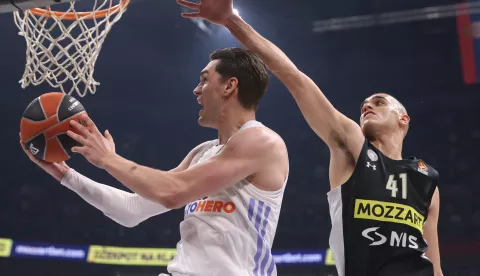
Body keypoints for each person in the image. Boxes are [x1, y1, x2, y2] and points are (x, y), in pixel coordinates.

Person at [175, 0, 443, 275]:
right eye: (364, 103)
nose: (367, 106)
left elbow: (434, 266)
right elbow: (294, 77)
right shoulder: (351, 146)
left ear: (404, 119)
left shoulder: (427, 180)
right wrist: (231, 20)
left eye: (379, 102)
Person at [21, 47, 289, 276]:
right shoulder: (201, 153)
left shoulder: (262, 141)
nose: (196, 90)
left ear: (230, 86)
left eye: (204, 80)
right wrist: (66, 175)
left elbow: (172, 192)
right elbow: (132, 209)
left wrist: (109, 159)